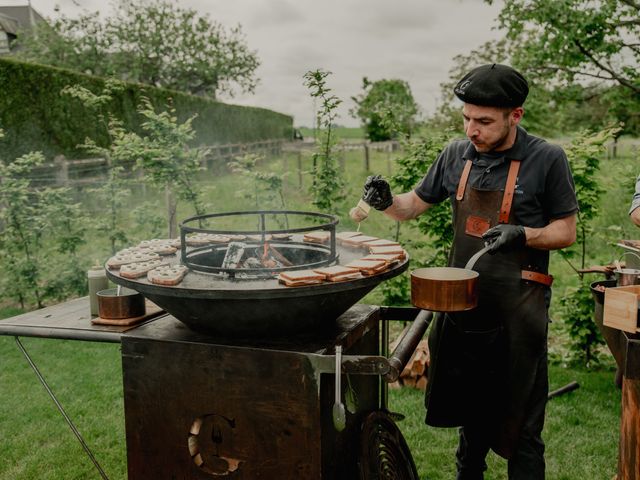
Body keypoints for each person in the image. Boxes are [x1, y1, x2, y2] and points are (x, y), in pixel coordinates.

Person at [353, 64, 578, 479]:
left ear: (516, 115)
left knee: (523, 428)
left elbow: (566, 231)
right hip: (465, 311)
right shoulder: (456, 155)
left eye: (484, 121)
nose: (472, 129)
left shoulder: (547, 158)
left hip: (519, 316)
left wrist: (523, 234)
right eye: (467, 118)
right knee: (472, 421)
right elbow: (411, 206)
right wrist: (385, 200)